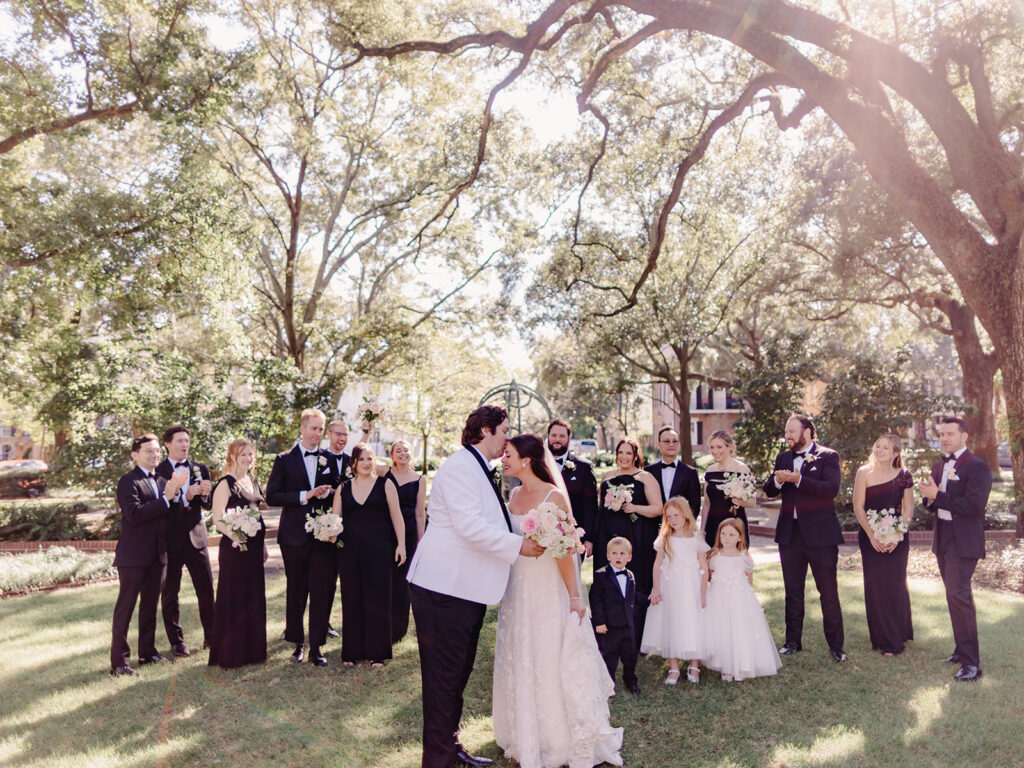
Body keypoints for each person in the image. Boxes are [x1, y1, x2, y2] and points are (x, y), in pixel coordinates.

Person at [406, 406, 544, 768]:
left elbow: (490, 521)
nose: (508, 437)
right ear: (485, 430)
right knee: (442, 681)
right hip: (443, 590)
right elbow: (469, 527)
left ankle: (450, 749)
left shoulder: (478, 466)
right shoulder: (460, 467)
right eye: (504, 430)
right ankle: (439, 761)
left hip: (463, 590)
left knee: (456, 677)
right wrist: (519, 547)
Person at [492, 434, 622, 768]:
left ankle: (556, 740)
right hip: (518, 587)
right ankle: (525, 733)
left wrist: (575, 597)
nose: (503, 460)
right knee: (523, 653)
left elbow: (565, 551)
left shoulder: (554, 497)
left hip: (547, 588)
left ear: (527, 460)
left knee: (548, 655)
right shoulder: (513, 494)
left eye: (508, 455)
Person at [762, 415, 847, 662]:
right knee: (793, 591)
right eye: (786, 432)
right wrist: (778, 479)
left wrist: (799, 480)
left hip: (821, 536)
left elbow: (831, 490)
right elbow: (769, 490)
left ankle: (836, 646)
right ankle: (792, 642)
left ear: (808, 432)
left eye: (792, 431)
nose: (787, 436)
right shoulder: (783, 458)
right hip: (790, 535)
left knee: (828, 591)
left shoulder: (828, 456)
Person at [919, 416, 992, 682]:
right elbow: (934, 502)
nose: (945, 438)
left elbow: (974, 507)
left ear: (965, 437)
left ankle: (972, 665)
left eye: (950, 433)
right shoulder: (939, 466)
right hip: (944, 538)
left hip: (965, 541)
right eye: (942, 434)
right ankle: (961, 651)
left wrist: (937, 497)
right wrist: (928, 498)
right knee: (954, 597)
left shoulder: (977, 467)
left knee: (958, 596)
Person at [110, 434, 187, 675]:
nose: (154, 455)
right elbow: (134, 514)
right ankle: (119, 663)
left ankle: (148, 653)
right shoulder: (127, 482)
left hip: (158, 555)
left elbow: (171, 516)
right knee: (126, 608)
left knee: (150, 606)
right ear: (135, 455)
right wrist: (166, 500)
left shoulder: (164, 480)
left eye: (156, 451)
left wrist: (180, 499)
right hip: (133, 557)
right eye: (148, 451)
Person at [265, 408, 336, 663]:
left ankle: (317, 647)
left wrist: (327, 492)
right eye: (314, 428)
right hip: (293, 536)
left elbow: (339, 488)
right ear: (303, 429)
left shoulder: (329, 458)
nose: (318, 433)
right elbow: (271, 495)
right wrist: (304, 495)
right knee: (296, 591)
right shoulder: (284, 459)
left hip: (322, 536)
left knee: (320, 590)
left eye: (321, 429)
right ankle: (298, 643)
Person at [332, 442, 406, 666]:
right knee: (352, 598)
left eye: (370, 458)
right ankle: (352, 652)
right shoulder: (343, 488)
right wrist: (329, 532)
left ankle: (378, 653)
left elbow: (397, 516)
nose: (366, 463)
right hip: (350, 552)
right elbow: (335, 519)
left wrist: (401, 544)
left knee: (378, 599)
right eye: (361, 459)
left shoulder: (386, 484)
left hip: (380, 551)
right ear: (353, 463)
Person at [852, 434, 915, 656]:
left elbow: (908, 509)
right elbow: (858, 507)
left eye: (885, 448)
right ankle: (884, 638)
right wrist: (872, 536)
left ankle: (898, 634)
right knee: (876, 586)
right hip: (871, 538)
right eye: (877, 446)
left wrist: (896, 536)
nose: (879, 450)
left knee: (896, 585)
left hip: (898, 538)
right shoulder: (863, 473)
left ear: (896, 453)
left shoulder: (904, 476)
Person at [155, 425, 215, 658]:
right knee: (170, 593)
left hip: (197, 538)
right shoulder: (158, 472)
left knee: (206, 590)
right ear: (167, 444)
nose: (184, 445)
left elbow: (207, 504)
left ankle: (212, 636)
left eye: (187, 441)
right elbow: (162, 507)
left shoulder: (200, 468)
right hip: (170, 542)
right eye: (179, 441)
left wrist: (206, 493)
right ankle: (177, 642)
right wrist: (185, 496)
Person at [208, 439, 268, 669]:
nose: (248, 459)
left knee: (252, 597)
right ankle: (231, 654)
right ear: (232, 456)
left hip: (253, 549)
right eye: (243, 455)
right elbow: (218, 519)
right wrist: (236, 535)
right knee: (234, 597)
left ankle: (253, 651)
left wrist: (261, 544)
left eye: (250, 455)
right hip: (235, 548)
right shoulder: (226, 483)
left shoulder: (251, 481)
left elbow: (256, 514)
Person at [596, 437, 661, 643]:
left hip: (637, 538)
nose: (623, 456)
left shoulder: (645, 477)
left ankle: (637, 635)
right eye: (620, 452)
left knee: (635, 582)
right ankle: (607, 632)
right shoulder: (606, 477)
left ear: (635, 456)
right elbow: (601, 508)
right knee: (607, 582)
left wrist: (634, 508)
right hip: (607, 537)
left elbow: (658, 508)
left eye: (628, 453)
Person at [702, 519, 782, 682]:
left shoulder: (744, 556)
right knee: (721, 629)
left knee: (739, 629)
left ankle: (740, 663)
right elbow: (709, 576)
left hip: (739, 598)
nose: (726, 538)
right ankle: (724, 665)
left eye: (731, 534)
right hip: (719, 597)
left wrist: (745, 597)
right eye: (723, 534)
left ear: (740, 537)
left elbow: (749, 578)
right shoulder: (714, 556)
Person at [640, 497, 709, 685]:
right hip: (670, 586)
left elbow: (704, 567)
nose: (673, 519)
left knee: (693, 620)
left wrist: (703, 593)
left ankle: (694, 664)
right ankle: (674, 666)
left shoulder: (696, 537)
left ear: (686, 515)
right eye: (669, 516)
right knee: (672, 620)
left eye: (676, 515)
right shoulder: (665, 538)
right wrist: (656, 589)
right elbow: (657, 564)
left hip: (691, 586)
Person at [589, 537, 649, 694]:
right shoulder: (601, 575)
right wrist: (599, 622)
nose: (618, 557)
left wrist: (648, 600)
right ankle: (609, 684)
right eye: (614, 553)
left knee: (630, 656)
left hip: (628, 625)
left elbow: (632, 595)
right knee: (610, 657)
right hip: (610, 625)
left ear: (629, 557)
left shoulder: (630, 575)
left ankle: (630, 680)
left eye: (622, 553)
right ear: (608, 556)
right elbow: (595, 600)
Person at [385, 439, 425, 643]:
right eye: (397, 450)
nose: (402, 453)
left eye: (406, 449)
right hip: (386, 532)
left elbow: (420, 514)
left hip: (409, 532)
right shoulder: (384, 473)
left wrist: (421, 542)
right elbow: (359, 458)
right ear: (392, 455)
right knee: (386, 579)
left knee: (403, 581)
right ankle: (383, 624)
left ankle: (398, 628)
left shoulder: (419, 479)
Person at [546, 418, 599, 559]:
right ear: (548, 436)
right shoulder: (537, 465)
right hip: (543, 537)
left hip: (573, 540)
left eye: (562, 436)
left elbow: (590, 506)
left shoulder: (584, 468)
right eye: (554, 435)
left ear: (569, 438)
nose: (557, 439)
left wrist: (589, 538)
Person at [701, 429, 756, 548]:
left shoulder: (742, 469)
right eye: (712, 447)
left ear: (730, 447)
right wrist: (702, 531)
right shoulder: (710, 471)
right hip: (713, 526)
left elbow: (752, 503)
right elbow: (706, 504)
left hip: (735, 527)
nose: (715, 451)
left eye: (719, 447)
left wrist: (741, 501)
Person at [323, 419, 351, 640]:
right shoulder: (319, 457)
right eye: (338, 434)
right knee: (324, 578)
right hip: (323, 527)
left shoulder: (352, 461)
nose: (342, 438)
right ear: (329, 434)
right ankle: (318, 622)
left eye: (345, 435)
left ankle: (328, 623)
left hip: (348, 528)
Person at [646, 426, 701, 516]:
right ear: (658, 444)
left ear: (679, 444)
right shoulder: (648, 472)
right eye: (667, 441)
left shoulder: (690, 473)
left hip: (680, 527)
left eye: (675, 441)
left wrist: (684, 527)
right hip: (652, 527)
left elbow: (695, 506)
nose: (671, 444)